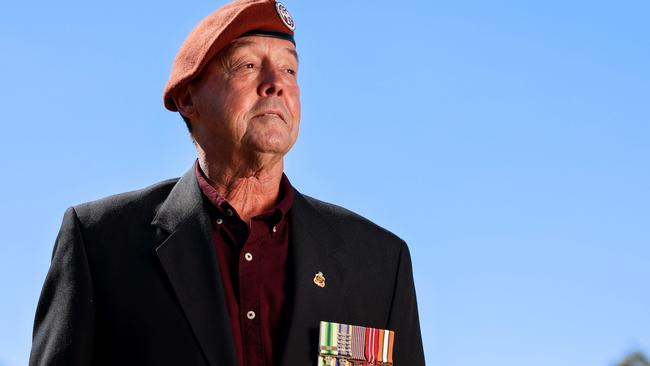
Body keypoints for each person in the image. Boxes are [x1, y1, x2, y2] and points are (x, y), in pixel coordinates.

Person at [29, 0, 425, 365]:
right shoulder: (100, 241)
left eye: (289, 69)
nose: (277, 83)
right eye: (248, 66)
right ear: (188, 99)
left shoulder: (379, 262)